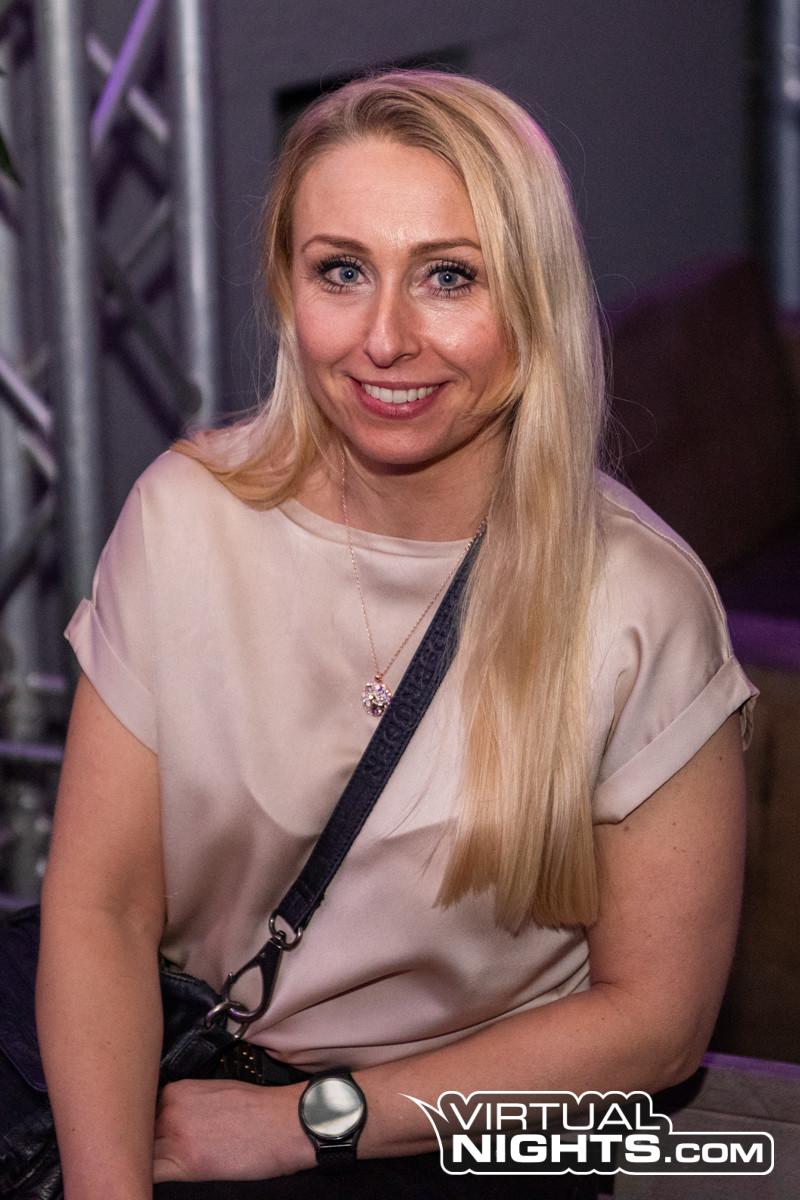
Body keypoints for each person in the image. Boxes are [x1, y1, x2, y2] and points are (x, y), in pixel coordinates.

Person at [36, 69, 756, 1199]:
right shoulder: (185, 520)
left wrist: (302, 1124)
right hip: (173, 1059)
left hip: (458, 1132)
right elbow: (102, 911)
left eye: (448, 277)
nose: (384, 339)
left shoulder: (636, 604)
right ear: (286, 287)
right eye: (341, 271)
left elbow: (655, 1026)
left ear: (533, 298)